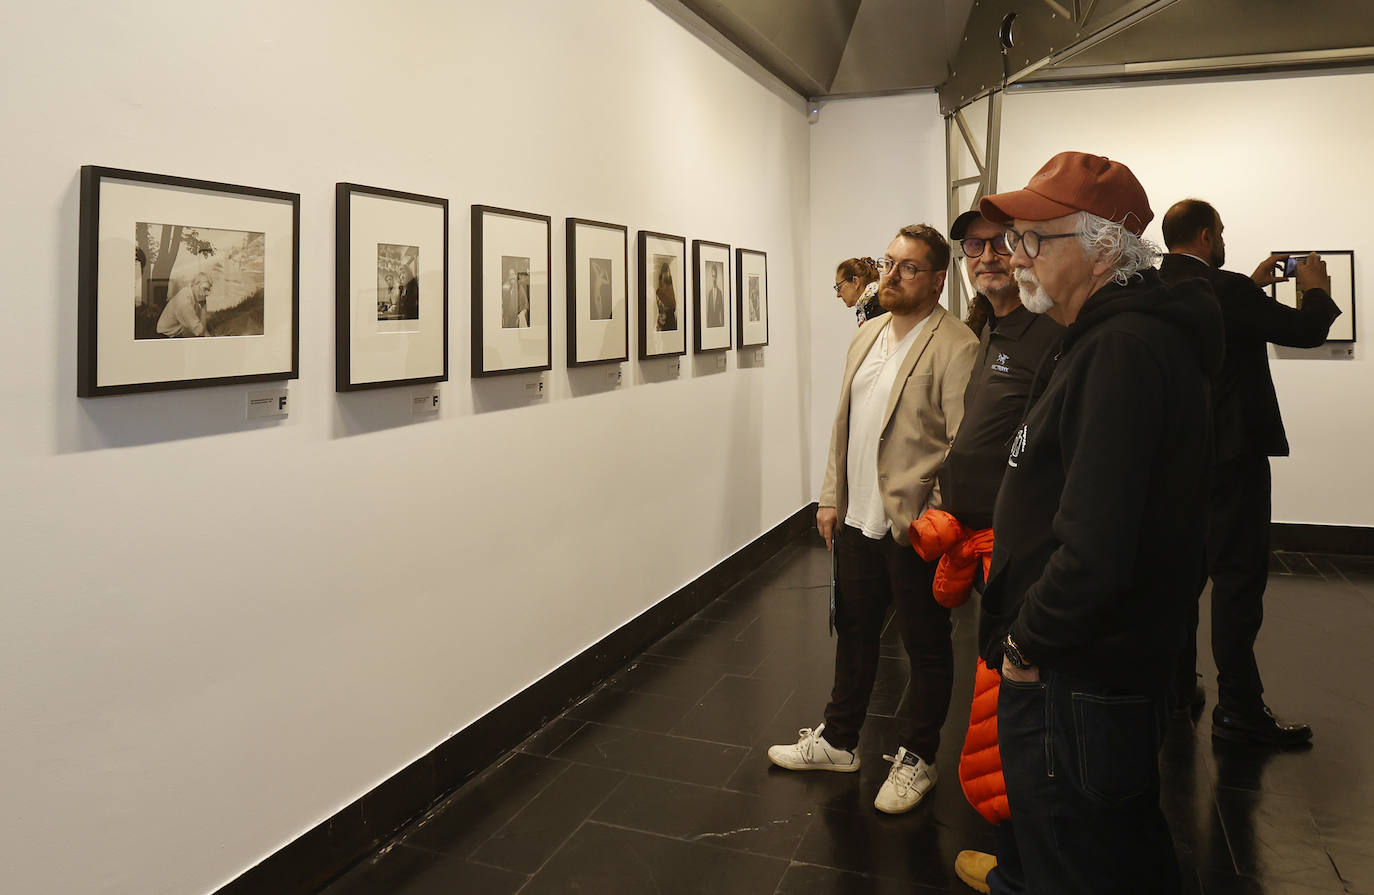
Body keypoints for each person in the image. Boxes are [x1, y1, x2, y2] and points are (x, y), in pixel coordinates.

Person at [976, 151, 1223, 894]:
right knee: (1107, 853)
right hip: (1089, 670)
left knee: (1075, 861)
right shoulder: (1103, 337)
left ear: (1101, 245)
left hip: (1074, 673)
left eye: (1033, 239)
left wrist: (1027, 641)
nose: (1015, 257)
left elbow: (1097, 545)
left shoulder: (1120, 348)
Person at [767, 224, 978, 815]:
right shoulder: (867, 336)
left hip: (914, 525)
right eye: (887, 263)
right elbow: (845, 424)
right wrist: (830, 496)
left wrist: (934, 517)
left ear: (937, 279)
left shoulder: (957, 345)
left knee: (925, 647)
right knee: (855, 634)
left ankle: (918, 756)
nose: (890, 275)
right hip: (857, 520)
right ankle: (839, 741)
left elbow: (961, 446)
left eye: (908, 267)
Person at [1159, 199, 1339, 746]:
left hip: (1174, 459)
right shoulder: (1227, 289)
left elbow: (1219, 318)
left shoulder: (1157, 284)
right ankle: (1238, 709)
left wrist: (1250, 284)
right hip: (1231, 456)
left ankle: (1173, 689)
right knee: (1237, 580)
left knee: (1180, 578)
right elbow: (1307, 331)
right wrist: (1315, 286)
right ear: (1209, 234)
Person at [920, 210, 1064, 892]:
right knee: (1002, 710)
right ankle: (1020, 859)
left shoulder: (1052, 333)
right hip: (985, 548)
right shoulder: (990, 329)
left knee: (1026, 712)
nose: (986, 255)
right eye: (973, 245)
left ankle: (1029, 868)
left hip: (1024, 552)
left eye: (1001, 242)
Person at [157, 272, 213, 338]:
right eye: (205, 289)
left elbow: (202, 328)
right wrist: (203, 307)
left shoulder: (191, 294)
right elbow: (199, 332)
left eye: (208, 290)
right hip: (165, 338)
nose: (206, 294)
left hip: (176, 333)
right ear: (196, 284)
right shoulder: (185, 301)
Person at [834, 256, 883, 325]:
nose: (838, 295)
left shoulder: (881, 306)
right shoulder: (866, 310)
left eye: (839, 287)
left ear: (855, 282)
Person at [655, 261, 677, 331]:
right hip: (666, 321)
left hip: (667, 322)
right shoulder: (662, 291)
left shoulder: (660, 292)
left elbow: (672, 305)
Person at [705, 263, 725, 329]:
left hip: (718, 324)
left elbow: (722, 310)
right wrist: (707, 324)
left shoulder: (720, 293)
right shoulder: (709, 294)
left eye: (715, 276)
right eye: (713, 276)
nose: (714, 278)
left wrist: (723, 323)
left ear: (717, 276)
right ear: (711, 276)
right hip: (710, 324)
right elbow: (708, 310)